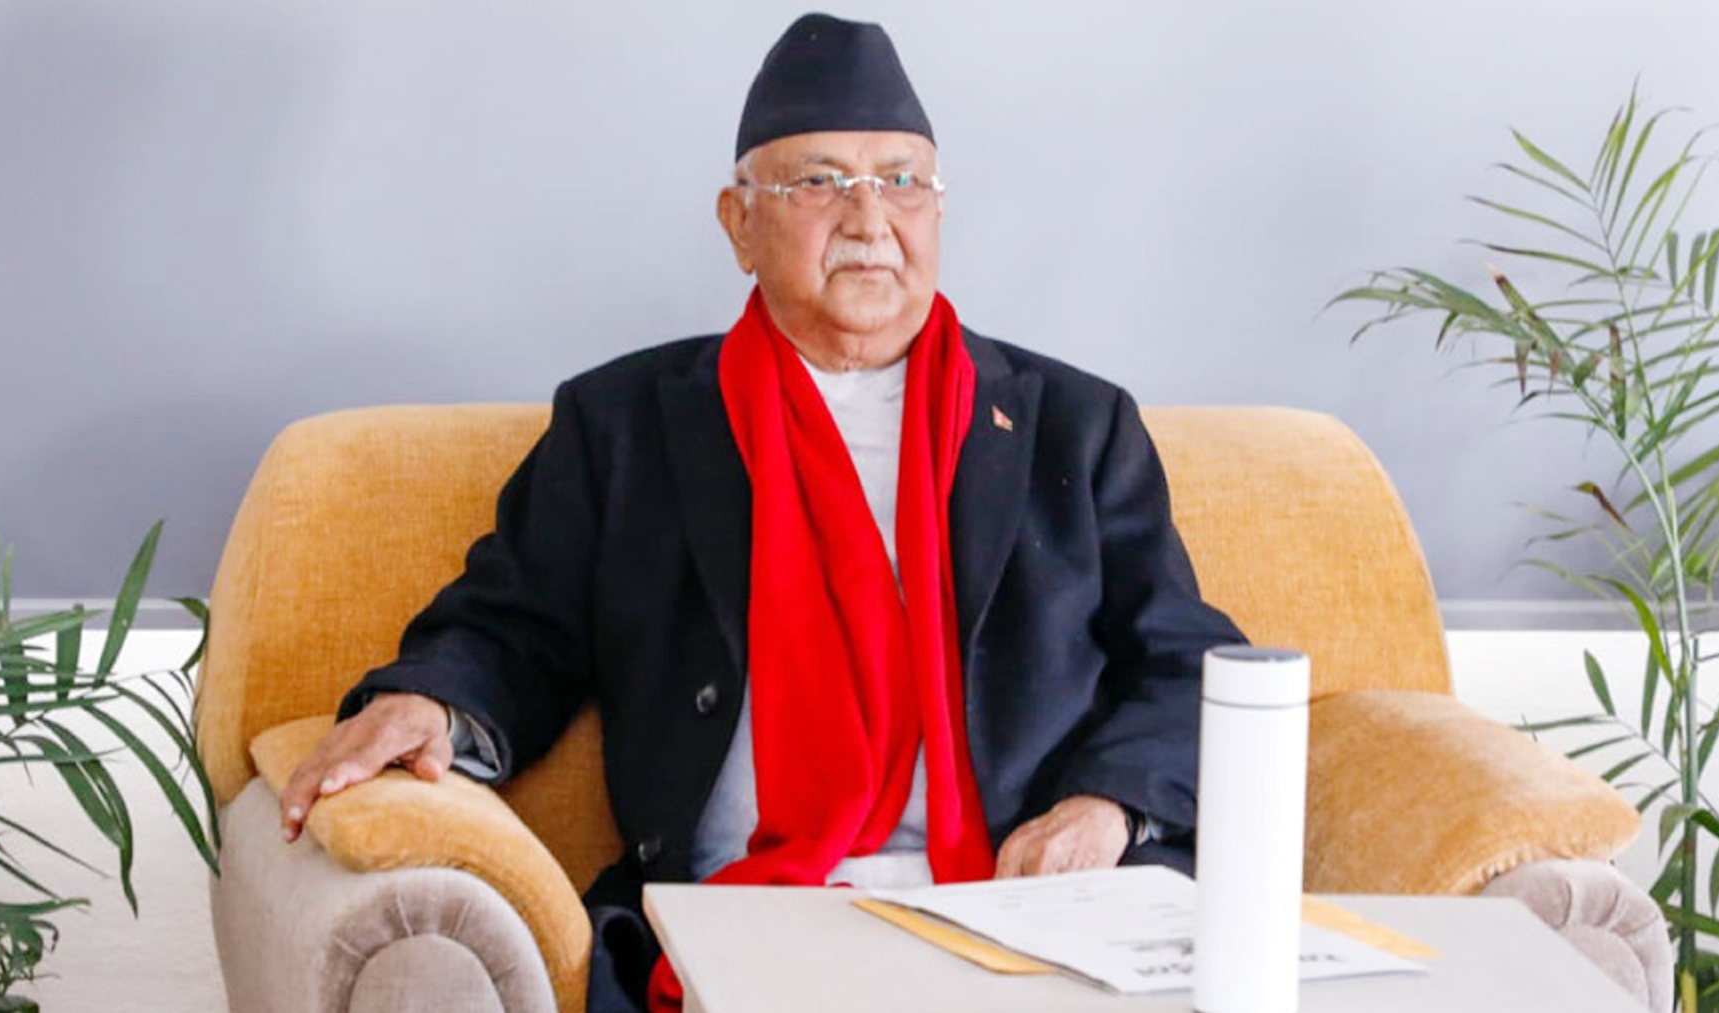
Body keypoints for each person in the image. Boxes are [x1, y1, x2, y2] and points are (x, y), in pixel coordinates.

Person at [278, 12, 1244, 1012]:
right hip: (740, 914)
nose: (870, 218)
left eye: (903, 181)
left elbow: (1191, 663)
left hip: (1014, 912)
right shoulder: (625, 426)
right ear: (739, 224)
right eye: (820, 182)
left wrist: (1107, 806)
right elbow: (512, 627)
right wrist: (430, 705)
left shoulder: (1073, 428)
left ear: (938, 211)